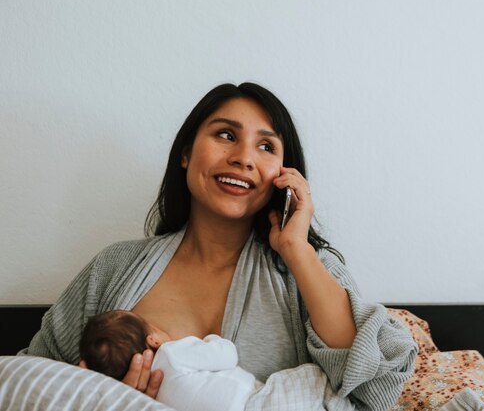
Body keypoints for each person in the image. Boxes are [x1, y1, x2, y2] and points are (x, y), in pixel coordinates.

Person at [20, 82, 418, 411]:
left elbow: (374, 383)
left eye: (266, 147)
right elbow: (30, 379)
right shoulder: (114, 267)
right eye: (226, 135)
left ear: (284, 173)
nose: (244, 158)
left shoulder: (308, 267)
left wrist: (296, 248)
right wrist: (102, 397)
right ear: (186, 153)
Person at [80, 309, 258, 411]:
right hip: (252, 400)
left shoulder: (154, 402)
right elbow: (228, 355)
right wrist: (211, 340)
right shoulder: (171, 353)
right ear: (153, 340)